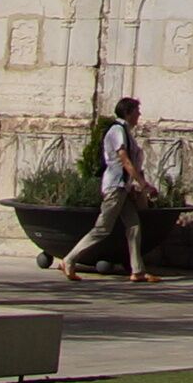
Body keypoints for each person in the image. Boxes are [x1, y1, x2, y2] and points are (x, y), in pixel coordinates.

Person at [68, 95, 160, 282]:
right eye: (136, 111)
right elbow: (124, 159)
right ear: (127, 112)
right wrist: (142, 185)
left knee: (133, 226)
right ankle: (69, 260)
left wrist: (136, 184)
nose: (139, 114)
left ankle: (138, 271)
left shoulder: (125, 131)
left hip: (122, 188)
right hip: (115, 187)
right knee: (102, 228)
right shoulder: (118, 130)